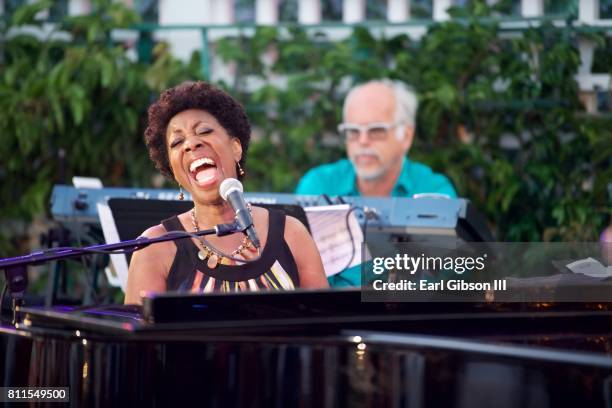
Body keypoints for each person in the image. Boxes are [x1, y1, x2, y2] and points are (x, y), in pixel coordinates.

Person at [125, 81, 328, 304]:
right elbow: (139, 336)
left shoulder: (291, 234)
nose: (190, 144)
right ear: (173, 169)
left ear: (235, 148)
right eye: (177, 142)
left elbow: (326, 326)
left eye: (203, 131)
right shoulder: (154, 247)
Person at [296, 79, 456, 198]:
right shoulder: (319, 186)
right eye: (353, 131)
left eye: (376, 130)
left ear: (406, 136)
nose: (363, 141)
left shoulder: (433, 192)